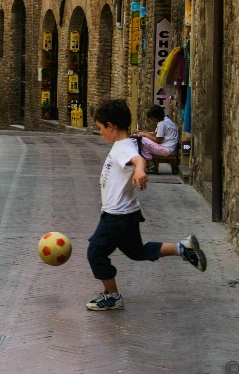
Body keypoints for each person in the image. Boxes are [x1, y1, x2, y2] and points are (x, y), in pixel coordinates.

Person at [85, 99, 206, 311]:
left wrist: (140, 170)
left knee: (95, 252)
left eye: (101, 128)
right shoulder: (123, 143)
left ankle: (113, 296)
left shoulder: (123, 147)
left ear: (111, 126)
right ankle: (183, 248)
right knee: (137, 252)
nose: (101, 133)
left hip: (117, 215)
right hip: (128, 213)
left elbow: (137, 160)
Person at [133, 104, 179, 170]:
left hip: (167, 149)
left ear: (156, 116)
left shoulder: (162, 124)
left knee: (142, 141)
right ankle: (150, 161)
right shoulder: (166, 120)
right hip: (170, 148)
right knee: (144, 139)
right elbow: (156, 133)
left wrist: (144, 135)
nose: (152, 120)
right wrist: (143, 132)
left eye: (152, 118)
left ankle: (150, 163)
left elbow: (158, 140)